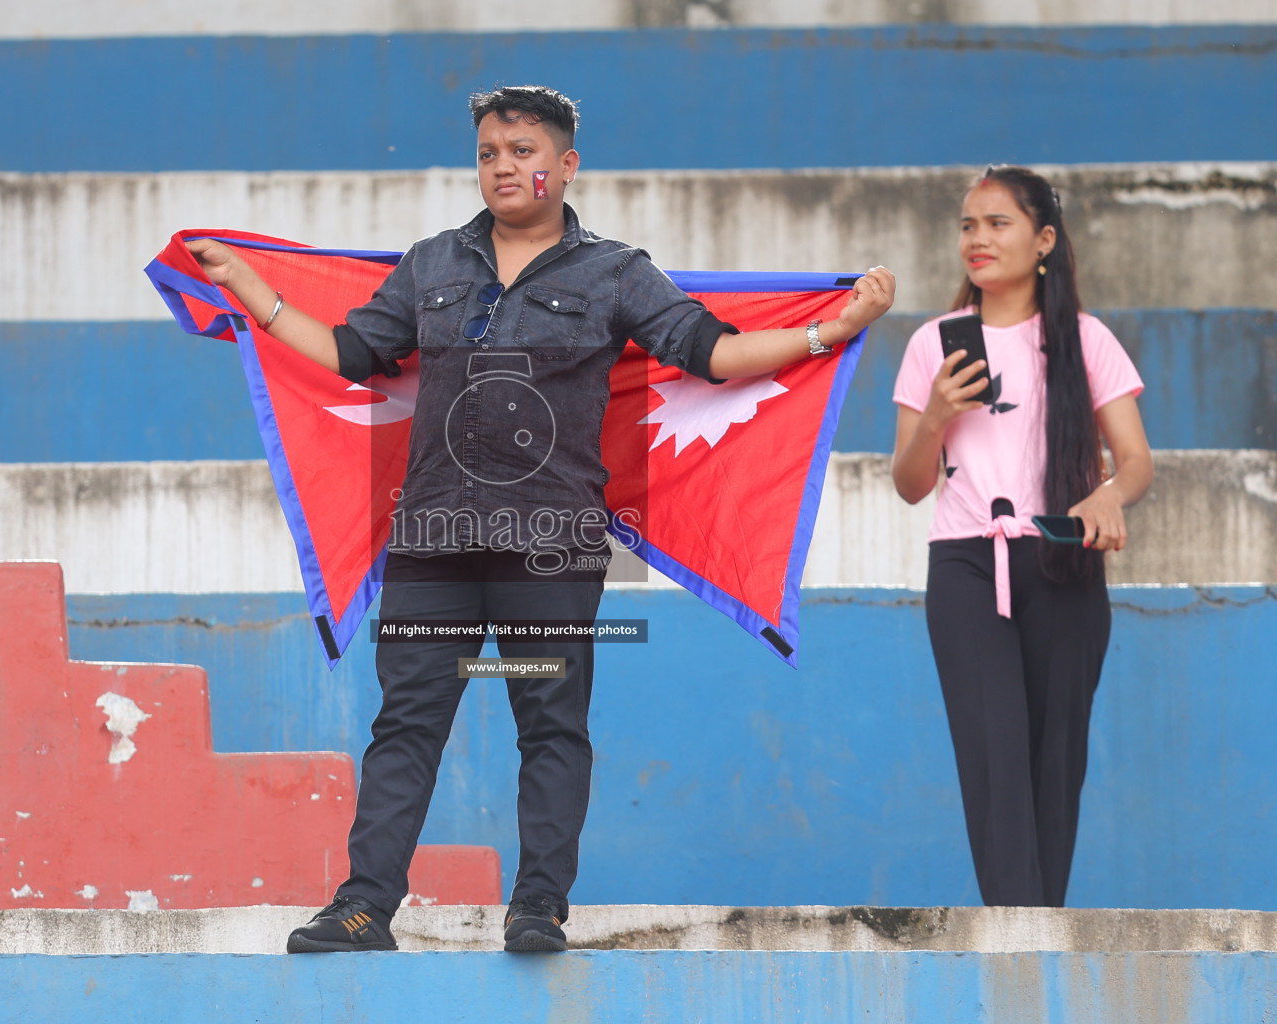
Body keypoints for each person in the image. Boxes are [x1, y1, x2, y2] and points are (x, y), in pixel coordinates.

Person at [187, 85, 895, 951]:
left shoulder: (616, 270)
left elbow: (714, 356)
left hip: (550, 545)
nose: (503, 167)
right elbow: (349, 353)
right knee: (406, 722)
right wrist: (252, 291)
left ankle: (537, 908)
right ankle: (364, 906)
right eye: (489, 152)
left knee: (547, 720)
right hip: (433, 538)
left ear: (566, 165)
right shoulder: (432, 262)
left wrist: (834, 329)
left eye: (522, 151)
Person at [890, 165, 1153, 907]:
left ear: (1043, 241)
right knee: (993, 754)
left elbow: (1135, 462)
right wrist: (937, 415)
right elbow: (910, 483)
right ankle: (1018, 932)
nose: (977, 239)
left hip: (1061, 555)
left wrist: (1106, 494)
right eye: (968, 225)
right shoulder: (934, 344)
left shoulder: (1085, 339)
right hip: (967, 561)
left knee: (1053, 760)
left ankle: (1040, 931)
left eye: (997, 224)